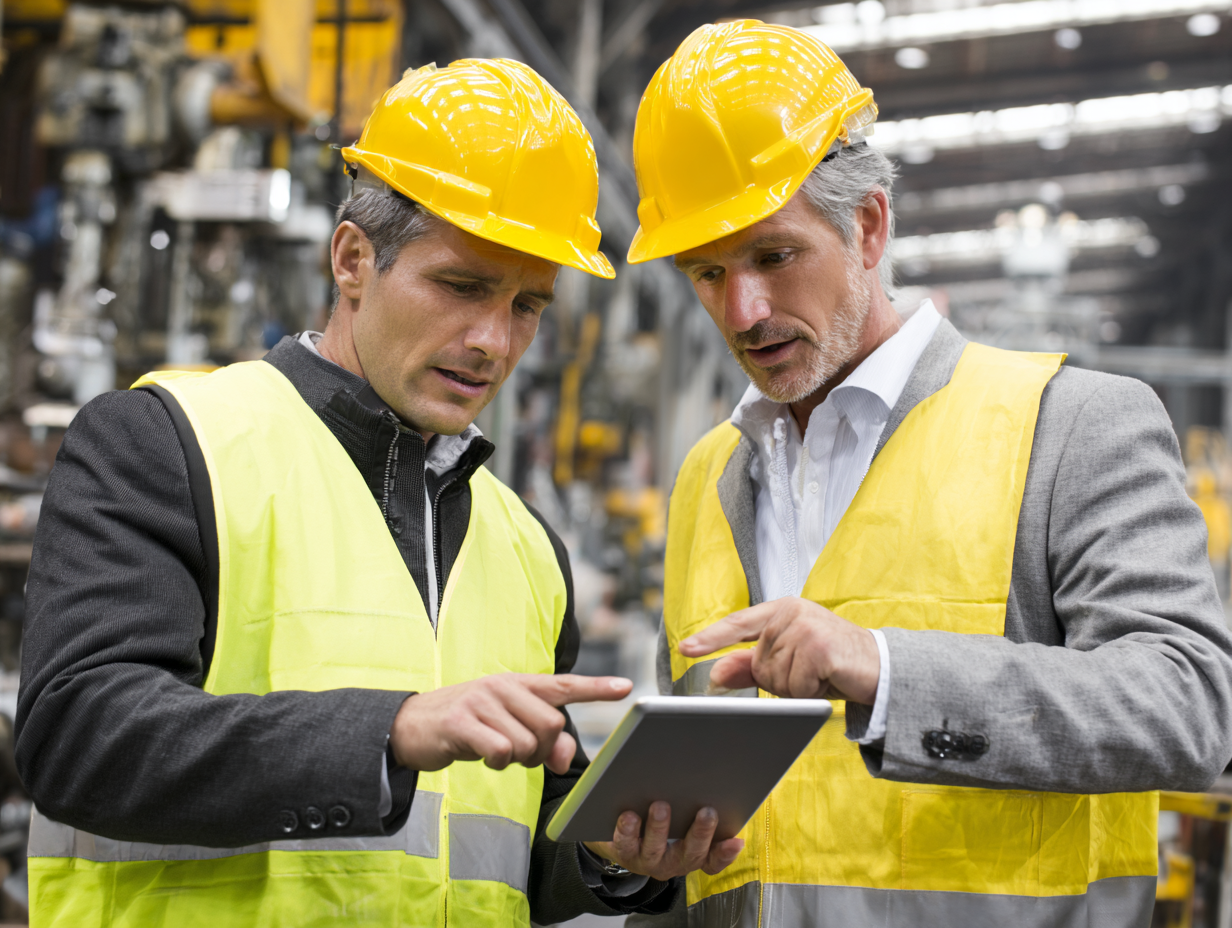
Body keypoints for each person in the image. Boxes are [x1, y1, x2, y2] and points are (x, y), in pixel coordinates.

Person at [16, 59, 739, 927]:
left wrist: (608, 853)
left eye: (527, 306)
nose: (493, 341)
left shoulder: (527, 550)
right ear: (353, 260)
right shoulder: (168, 444)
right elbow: (80, 736)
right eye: (462, 286)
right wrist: (391, 731)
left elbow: (503, 852)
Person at [626, 20, 1232, 928]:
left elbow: (1187, 705)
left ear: (868, 226)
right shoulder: (707, 478)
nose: (743, 310)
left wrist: (886, 669)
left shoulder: (1069, 426)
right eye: (706, 272)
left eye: (774, 256)